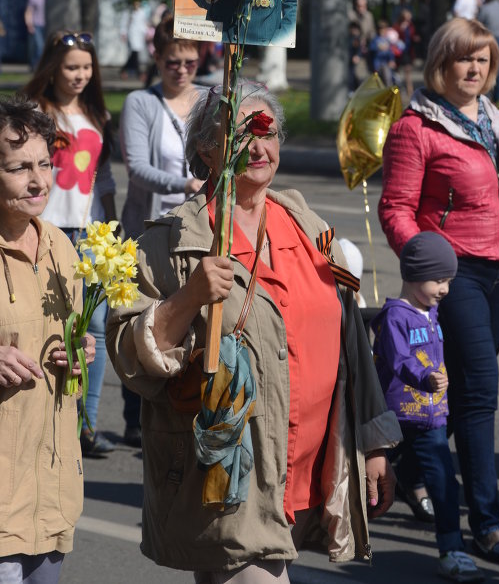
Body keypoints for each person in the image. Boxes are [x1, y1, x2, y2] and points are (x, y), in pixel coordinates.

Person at [106, 81, 402, 581]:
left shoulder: (309, 227)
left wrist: (372, 445)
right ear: (206, 147)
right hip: (231, 478)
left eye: (268, 133)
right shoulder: (172, 242)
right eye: (241, 135)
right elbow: (131, 357)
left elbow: (351, 340)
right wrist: (188, 297)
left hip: (308, 467)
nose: (259, 148)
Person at [378, 17, 499, 567]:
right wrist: (425, 262)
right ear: (440, 63)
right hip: (456, 273)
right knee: (480, 393)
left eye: (483, 60)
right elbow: (395, 208)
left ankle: (403, 467)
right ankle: (486, 525)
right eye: (464, 59)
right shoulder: (415, 126)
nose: (474, 69)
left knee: (458, 386)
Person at [0, 96, 95, 584]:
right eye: (19, 168)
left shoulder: (60, 245)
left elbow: (70, 339)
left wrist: (77, 353)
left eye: (44, 164)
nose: (38, 181)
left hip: (52, 487)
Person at [23, 31, 118, 458]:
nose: (80, 75)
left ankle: (87, 423)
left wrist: (112, 226)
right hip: (46, 229)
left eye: (86, 67)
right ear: (52, 69)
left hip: (90, 233)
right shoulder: (35, 112)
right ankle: (48, 409)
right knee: (50, 327)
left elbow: (107, 177)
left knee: (94, 329)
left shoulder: (97, 115)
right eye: (71, 67)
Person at [372, 232, 484, 583]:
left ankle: (452, 550)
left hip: (430, 417)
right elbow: (400, 359)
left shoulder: (432, 311)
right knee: (364, 472)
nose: (445, 289)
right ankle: (333, 524)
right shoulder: (395, 317)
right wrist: (424, 377)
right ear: (413, 274)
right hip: (393, 415)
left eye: (448, 281)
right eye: (439, 280)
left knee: (444, 482)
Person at [119, 15, 204, 445]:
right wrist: (185, 184)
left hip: (199, 231)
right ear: (156, 56)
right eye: (173, 61)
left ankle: (188, 405)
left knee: (192, 319)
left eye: (190, 61)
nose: (182, 69)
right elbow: (137, 168)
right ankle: (137, 414)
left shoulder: (209, 98)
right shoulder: (141, 103)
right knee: (146, 318)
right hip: (151, 231)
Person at [478, 0, 499, 101]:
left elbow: (479, 23)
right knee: (498, 67)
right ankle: (498, 95)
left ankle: (485, 94)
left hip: (487, 39)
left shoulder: (486, 8)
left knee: (485, 66)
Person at [120, 0, 149, 80]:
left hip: (140, 35)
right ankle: (139, 73)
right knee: (135, 53)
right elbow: (124, 23)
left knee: (135, 54)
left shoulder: (142, 12)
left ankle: (124, 69)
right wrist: (123, 33)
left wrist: (147, 32)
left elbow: (143, 23)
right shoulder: (129, 12)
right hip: (132, 34)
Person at [24, 0, 46, 70]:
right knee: (39, 46)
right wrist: (29, 24)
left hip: (44, 25)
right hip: (36, 24)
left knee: (41, 47)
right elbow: (28, 11)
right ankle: (35, 65)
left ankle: (36, 64)